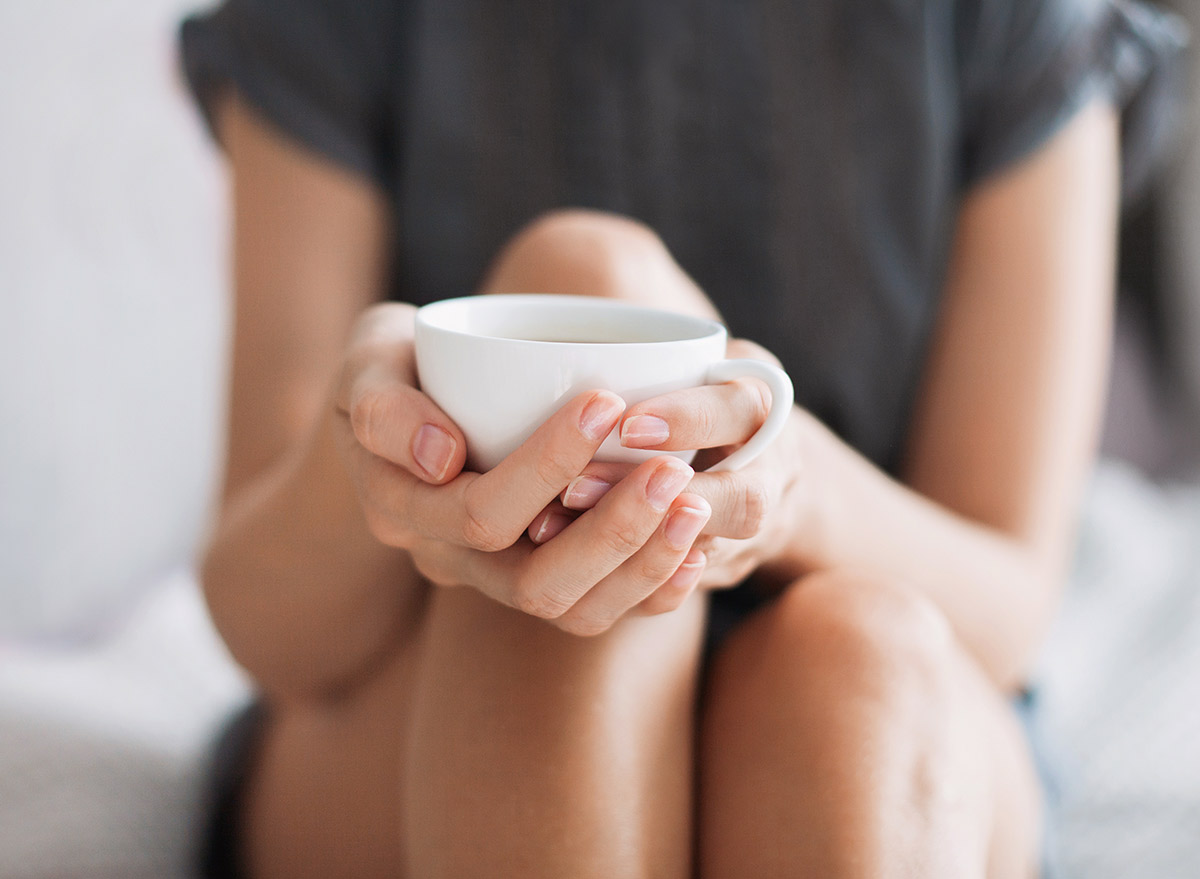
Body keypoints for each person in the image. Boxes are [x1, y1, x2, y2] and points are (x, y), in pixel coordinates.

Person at [179, 0, 1182, 876]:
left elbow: (1004, 615)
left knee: (856, 676)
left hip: (874, 682)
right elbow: (273, 635)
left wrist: (786, 489)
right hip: (423, 705)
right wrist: (370, 457)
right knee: (584, 277)